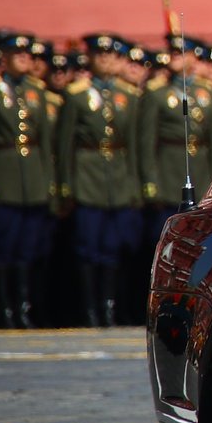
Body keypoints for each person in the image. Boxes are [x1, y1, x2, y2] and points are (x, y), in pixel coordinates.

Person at [54, 34, 141, 326]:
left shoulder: (127, 95)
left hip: (118, 178)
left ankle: (109, 306)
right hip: (88, 177)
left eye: (110, 55)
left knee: (114, 248)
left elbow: (134, 145)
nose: (105, 60)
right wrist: (65, 185)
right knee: (89, 248)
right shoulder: (76, 95)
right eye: (99, 55)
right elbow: (64, 145)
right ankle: (90, 309)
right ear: (89, 59)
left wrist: (136, 185)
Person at [0, 32, 56, 328]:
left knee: (28, 249)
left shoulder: (36, 90)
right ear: (4, 59)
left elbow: (45, 141)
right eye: (16, 55)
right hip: (5, 176)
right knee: (3, 248)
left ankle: (24, 307)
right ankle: (5, 310)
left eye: (27, 55)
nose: (23, 60)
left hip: (32, 178)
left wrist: (48, 179)